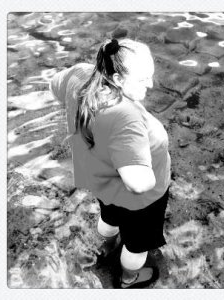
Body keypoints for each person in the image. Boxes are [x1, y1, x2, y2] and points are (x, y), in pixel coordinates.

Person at [50, 38, 171, 288]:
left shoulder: (82, 75)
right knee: (137, 246)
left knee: (109, 218)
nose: (150, 84)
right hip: (142, 201)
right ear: (117, 79)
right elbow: (138, 183)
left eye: (151, 76)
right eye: (142, 79)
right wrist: (153, 175)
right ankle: (129, 278)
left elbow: (52, 86)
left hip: (102, 183)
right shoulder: (125, 117)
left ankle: (106, 247)